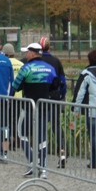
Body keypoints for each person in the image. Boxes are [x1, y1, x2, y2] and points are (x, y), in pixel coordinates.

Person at [12, 43, 60, 178]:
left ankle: (33, 161)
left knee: (22, 134)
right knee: (42, 137)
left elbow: (16, 86)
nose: (25, 55)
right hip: (44, 107)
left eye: (27, 52)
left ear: (32, 53)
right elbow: (56, 86)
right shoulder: (50, 68)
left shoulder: (26, 68)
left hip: (28, 107)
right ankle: (43, 168)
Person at [72, 49, 96, 170]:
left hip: (92, 109)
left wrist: (76, 109)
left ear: (89, 60)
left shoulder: (86, 73)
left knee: (93, 136)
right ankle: (94, 162)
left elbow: (80, 93)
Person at [39, 36, 68, 169]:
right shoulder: (56, 61)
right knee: (56, 126)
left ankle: (40, 156)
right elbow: (63, 80)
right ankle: (62, 152)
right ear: (50, 47)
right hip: (54, 98)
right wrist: (61, 94)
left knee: (41, 126)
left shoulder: (37, 61)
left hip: (40, 98)